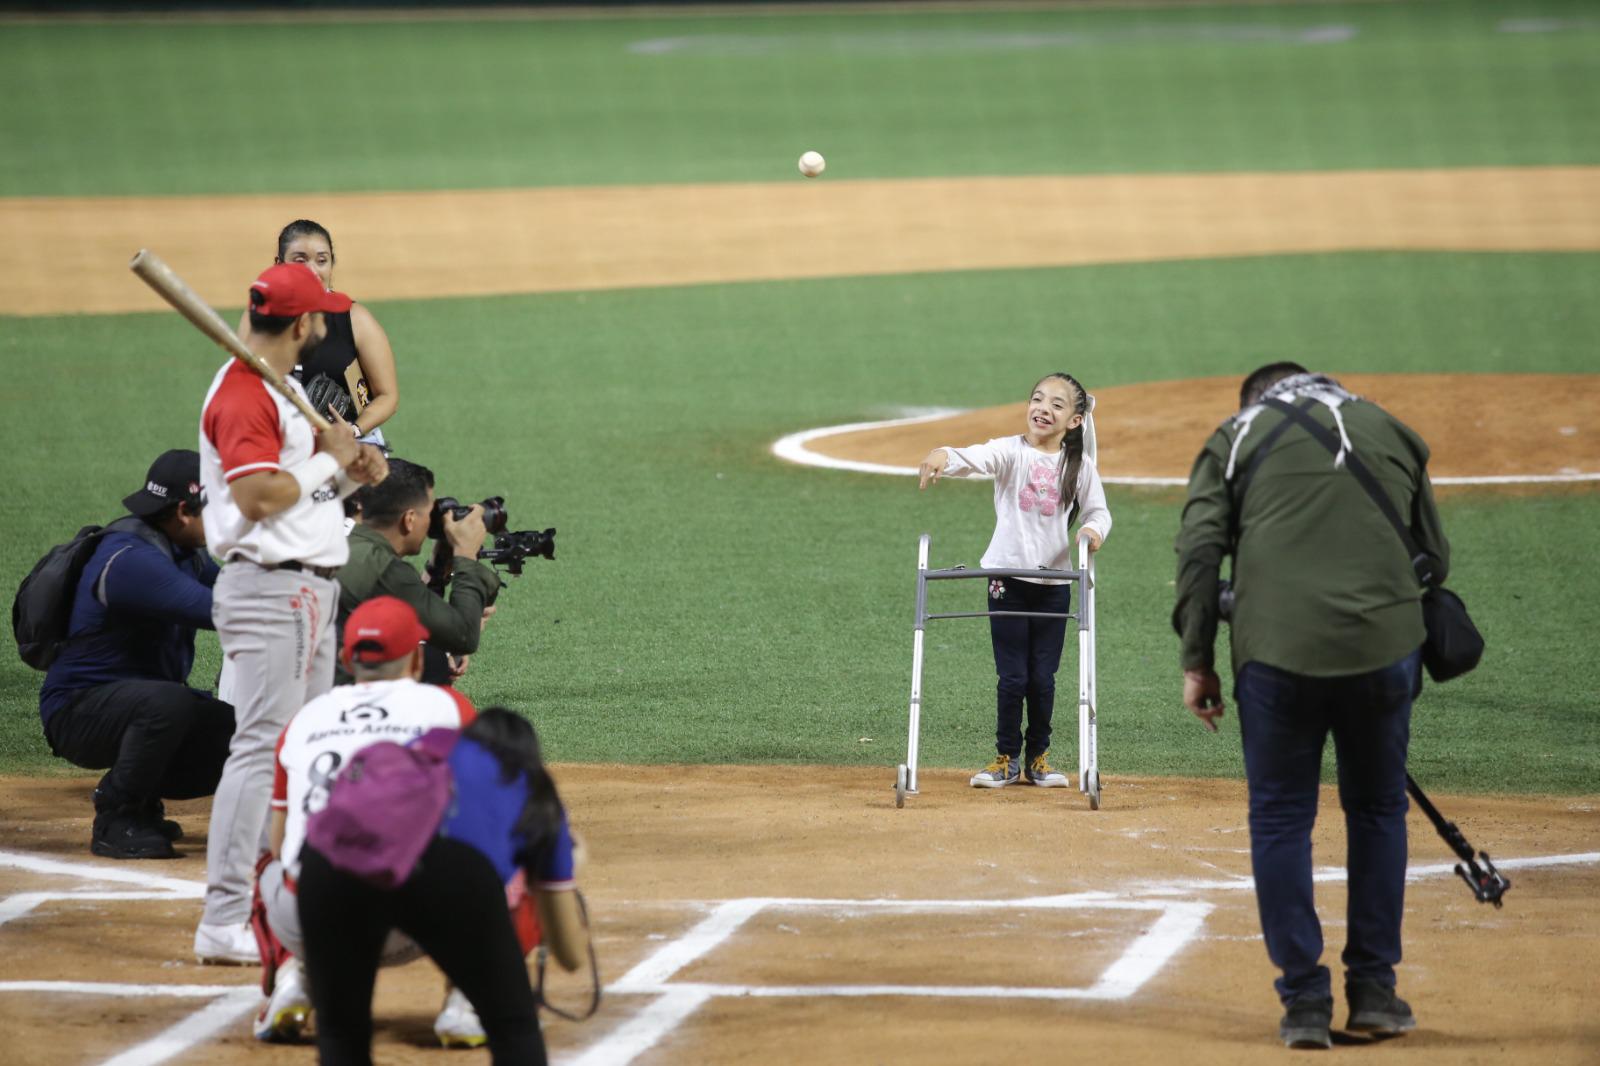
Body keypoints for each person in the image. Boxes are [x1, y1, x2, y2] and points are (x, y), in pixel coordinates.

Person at [1173, 362, 1450, 1049]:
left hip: (1276, 657)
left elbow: (1201, 552)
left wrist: (1198, 659)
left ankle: (1303, 1002)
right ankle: (1376, 992)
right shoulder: (1387, 426)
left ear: (1254, 400)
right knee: (1379, 808)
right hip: (1385, 651)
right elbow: (1434, 558)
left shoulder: (1235, 436)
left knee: (1280, 816)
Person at [194, 261, 388, 965]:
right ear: (305, 325)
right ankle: (223, 919)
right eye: (320, 317)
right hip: (270, 591)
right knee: (259, 749)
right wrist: (322, 464)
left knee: (298, 751)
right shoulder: (245, 393)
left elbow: (303, 490)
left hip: (310, 587)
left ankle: (289, 901)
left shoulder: (286, 388)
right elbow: (257, 499)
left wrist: (346, 468)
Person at [297, 707, 586, 1066]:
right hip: (450, 872)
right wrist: (558, 868)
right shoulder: (534, 787)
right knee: (514, 1027)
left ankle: (290, 983)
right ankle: (462, 1005)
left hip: (328, 861)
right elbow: (570, 956)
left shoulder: (423, 747)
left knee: (341, 1030)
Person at [253, 596, 478, 1045]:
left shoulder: (303, 720)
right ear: (417, 658)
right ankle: (467, 1001)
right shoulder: (449, 708)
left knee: (267, 858)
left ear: (345, 659)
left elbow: (279, 845)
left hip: (312, 921)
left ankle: (295, 981)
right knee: (499, 851)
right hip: (412, 923)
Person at [917, 372, 1112, 789]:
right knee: (1013, 677)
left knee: (1044, 678)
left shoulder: (1080, 466)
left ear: (1074, 422)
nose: (1043, 408)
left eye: (1057, 405)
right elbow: (976, 458)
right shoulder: (1010, 451)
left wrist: (1092, 532)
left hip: (1055, 584)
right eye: (1038, 399)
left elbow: (1099, 512)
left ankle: (1038, 758)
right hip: (1005, 577)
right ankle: (1005, 757)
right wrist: (943, 455)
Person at [37, 450, 234, 859]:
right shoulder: (131, 561)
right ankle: (115, 816)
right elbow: (220, 609)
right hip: (78, 712)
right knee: (168, 703)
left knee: (238, 732)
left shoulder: (183, 549)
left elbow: (235, 584)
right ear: (184, 510)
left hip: (133, 704)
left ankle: (141, 800)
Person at [337, 457, 499, 685]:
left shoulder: (343, 541)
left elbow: (414, 611)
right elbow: (463, 637)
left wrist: (437, 566)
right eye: (430, 513)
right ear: (409, 519)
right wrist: (465, 554)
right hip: (333, 690)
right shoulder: (386, 570)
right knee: (432, 663)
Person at [238, 219, 400, 448]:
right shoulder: (258, 319)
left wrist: (353, 430)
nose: (312, 270)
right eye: (300, 260)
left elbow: (387, 396)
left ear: (332, 264)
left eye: (321, 260)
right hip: (282, 446)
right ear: (278, 264)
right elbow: (245, 387)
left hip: (351, 449)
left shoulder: (355, 319)